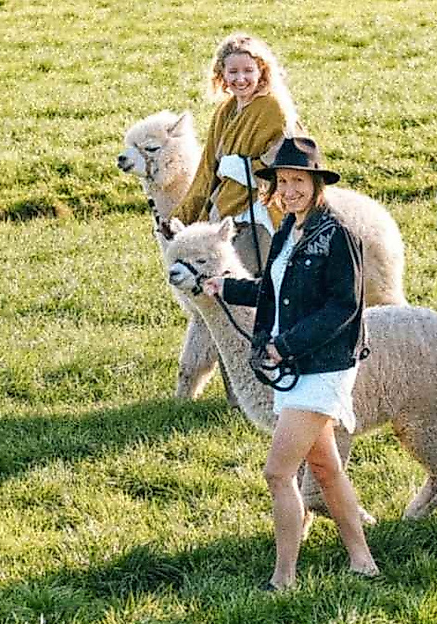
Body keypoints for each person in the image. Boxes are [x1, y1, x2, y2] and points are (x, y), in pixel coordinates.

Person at [203, 137, 379, 590]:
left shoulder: (338, 235)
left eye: (298, 181)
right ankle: (363, 560)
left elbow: (343, 308)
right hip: (297, 365)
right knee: (326, 469)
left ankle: (284, 578)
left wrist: (285, 346)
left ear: (316, 183)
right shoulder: (288, 230)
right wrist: (228, 288)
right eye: (282, 182)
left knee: (278, 472)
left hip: (322, 367)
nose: (289, 189)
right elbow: (273, 289)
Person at [174, 33, 302, 273]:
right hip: (225, 206)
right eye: (233, 72)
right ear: (221, 73)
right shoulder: (226, 110)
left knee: (249, 283)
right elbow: (207, 168)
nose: (240, 79)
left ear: (261, 71)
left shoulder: (273, 108)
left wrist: (245, 170)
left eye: (248, 71)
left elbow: (291, 163)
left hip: (260, 211)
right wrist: (184, 215)